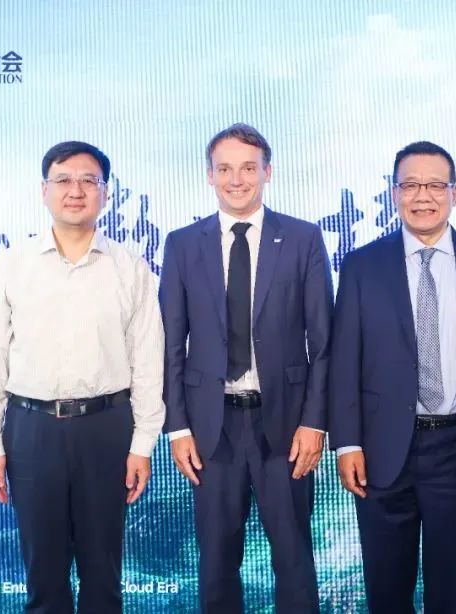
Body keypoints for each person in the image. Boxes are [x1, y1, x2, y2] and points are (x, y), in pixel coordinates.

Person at [328, 141, 456, 613]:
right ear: (395, 194)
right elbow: (344, 361)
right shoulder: (362, 265)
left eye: (436, 185)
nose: (424, 196)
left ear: (454, 194)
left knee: (453, 593)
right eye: (411, 185)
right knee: (386, 591)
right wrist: (347, 442)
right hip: (380, 450)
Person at [0, 141, 165, 613]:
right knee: (44, 577)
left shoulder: (130, 268)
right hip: (31, 429)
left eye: (88, 181)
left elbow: (148, 361)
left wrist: (142, 444)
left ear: (105, 193)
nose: (75, 190)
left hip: (106, 428)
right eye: (63, 179)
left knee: (103, 575)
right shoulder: (14, 263)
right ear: (44, 191)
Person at [159, 123, 333, 613]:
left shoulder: (301, 239)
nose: (236, 180)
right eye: (225, 169)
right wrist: (178, 428)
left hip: (287, 425)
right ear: (209, 175)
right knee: (216, 561)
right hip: (211, 429)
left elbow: (324, 342)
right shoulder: (182, 244)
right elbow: (170, 344)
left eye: (248, 168)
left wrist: (315, 422)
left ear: (267, 172)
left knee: (294, 558)